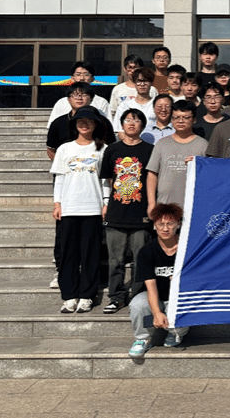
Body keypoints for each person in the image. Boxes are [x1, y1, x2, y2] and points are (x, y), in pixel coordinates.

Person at [50, 106, 110, 314]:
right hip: (69, 207)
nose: (85, 125)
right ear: (75, 125)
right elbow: (59, 178)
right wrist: (57, 203)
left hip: (92, 207)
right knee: (68, 254)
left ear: (96, 125)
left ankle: (87, 296)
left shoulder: (103, 149)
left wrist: (106, 202)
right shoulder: (65, 149)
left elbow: (106, 180)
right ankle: (69, 296)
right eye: (81, 121)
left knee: (90, 254)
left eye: (89, 121)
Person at [99, 109, 155, 314]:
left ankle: (138, 298)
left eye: (136, 120)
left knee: (141, 259)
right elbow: (107, 179)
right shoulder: (112, 150)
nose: (132, 123)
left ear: (143, 125)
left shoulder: (150, 149)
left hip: (141, 212)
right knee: (116, 260)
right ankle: (116, 297)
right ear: (122, 124)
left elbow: (153, 179)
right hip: (116, 212)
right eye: (128, 120)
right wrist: (106, 203)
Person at [128, 203, 190, 358]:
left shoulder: (188, 248)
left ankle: (175, 333)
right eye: (161, 224)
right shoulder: (147, 251)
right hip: (157, 296)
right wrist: (156, 313)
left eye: (170, 224)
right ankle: (142, 339)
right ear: (154, 225)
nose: (165, 228)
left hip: (180, 297)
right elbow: (150, 285)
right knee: (138, 304)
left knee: (180, 314)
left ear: (178, 224)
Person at [147, 100, 209, 209]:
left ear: (194, 119)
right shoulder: (162, 144)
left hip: (194, 206)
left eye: (186, 117)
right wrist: (152, 203)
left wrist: (198, 164)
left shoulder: (203, 145)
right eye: (176, 117)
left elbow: (209, 175)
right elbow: (152, 174)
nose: (180, 121)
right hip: (165, 206)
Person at [46, 61, 110, 128]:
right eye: (78, 74)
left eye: (86, 75)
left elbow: (108, 126)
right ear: (72, 78)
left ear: (92, 79)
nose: (82, 78)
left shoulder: (101, 102)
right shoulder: (61, 103)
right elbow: (53, 126)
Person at [113, 67, 156, 138]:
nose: (142, 84)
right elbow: (120, 131)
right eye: (139, 81)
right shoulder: (125, 106)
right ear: (134, 83)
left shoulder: (157, 105)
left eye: (146, 81)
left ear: (151, 83)